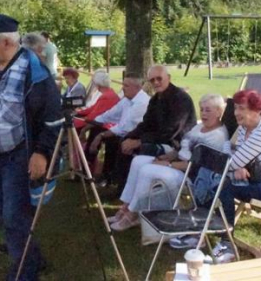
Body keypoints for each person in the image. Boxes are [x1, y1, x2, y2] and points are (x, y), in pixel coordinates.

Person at [0, 13, 62, 280]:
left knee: (13, 214)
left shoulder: (36, 73)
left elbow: (53, 117)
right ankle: (34, 258)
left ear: (6, 42)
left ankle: (24, 273)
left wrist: (42, 152)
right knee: (1, 209)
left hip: (19, 153)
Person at [200, 90, 261, 261]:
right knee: (217, 179)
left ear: (257, 111)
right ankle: (202, 228)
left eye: (242, 109)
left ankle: (226, 244)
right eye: (236, 108)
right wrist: (235, 164)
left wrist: (235, 164)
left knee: (222, 184)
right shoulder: (246, 128)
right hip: (259, 180)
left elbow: (229, 162)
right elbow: (229, 150)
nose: (236, 113)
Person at [109, 94, 229, 231]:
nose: (203, 113)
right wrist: (166, 157)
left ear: (219, 111)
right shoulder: (200, 127)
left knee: (147, 170)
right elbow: (183, 149)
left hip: (189, 174)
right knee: (138, 161)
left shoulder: (217, 136)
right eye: (201, 109)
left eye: (208, 110)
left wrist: (170, 165)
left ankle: (133, 214)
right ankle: (125, 207)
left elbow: (198, 166)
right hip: (177, 163)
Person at [113, 64, 197, 193]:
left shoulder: (180, 98)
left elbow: (171, 131)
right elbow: (146, 124)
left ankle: (139, 191)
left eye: (159, 78)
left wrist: (139, 141)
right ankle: (123, 189)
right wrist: (130, 137)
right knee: (123, 141)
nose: (156, 82)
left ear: (168, 77)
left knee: (143, 147)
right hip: (160, 139)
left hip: (177, 146)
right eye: (152, 80)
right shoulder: (156, 99)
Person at [86, 74, 150, 185]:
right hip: (127, 133)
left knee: (113, 141)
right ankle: (92, 169)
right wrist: (90, 123)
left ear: (138, 87)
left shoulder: (141, 103)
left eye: (126, 85)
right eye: (123, 85)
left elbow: (124, 127)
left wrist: (100, 135)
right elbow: (110, 114)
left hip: (138, 137)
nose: (123, 88)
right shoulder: (127, 100)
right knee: (97, 130)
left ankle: (114, 180)